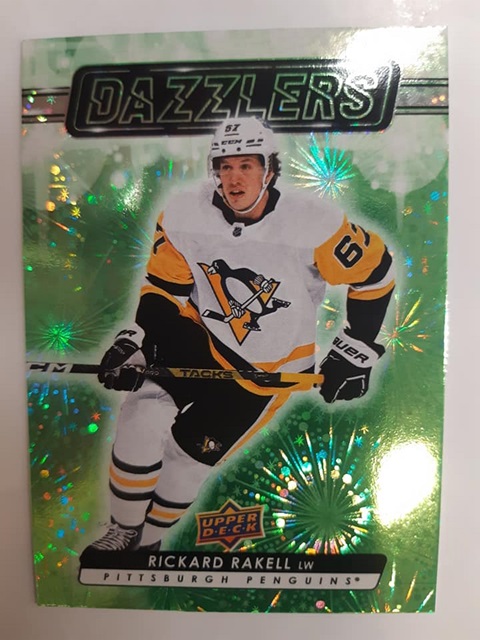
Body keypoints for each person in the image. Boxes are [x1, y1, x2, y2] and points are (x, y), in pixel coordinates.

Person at [82, 117, 394, 555]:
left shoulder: (313, 223)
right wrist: (136, 341)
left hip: (264, 370)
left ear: (270, 169)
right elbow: (165, 288)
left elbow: (376, 274)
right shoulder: (185, 213)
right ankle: (123, 532)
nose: (234, 178)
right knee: (140, 418)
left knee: (187, 461)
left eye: (246, 165)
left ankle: (149, 542)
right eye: (225, 166)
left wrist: (356, 348)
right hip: (198, 337)